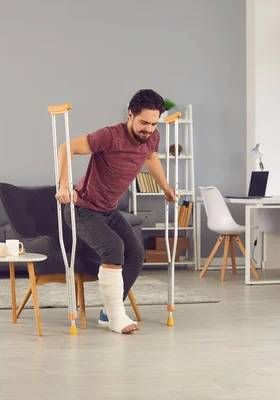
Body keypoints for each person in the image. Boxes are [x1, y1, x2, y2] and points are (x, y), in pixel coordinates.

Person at [56, 89, 177, 334]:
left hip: (108, 210)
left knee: (136, 253)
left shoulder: (151, 138)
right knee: (114, 248)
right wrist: (63, 185)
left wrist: (166, 188)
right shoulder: (109, 136)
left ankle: (107, 312)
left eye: (154, 124)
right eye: (144, 123)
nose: (148, 129)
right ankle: (116, 316)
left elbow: (150, 158)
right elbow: (66, 148)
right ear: (130, 115)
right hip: (82, 208)